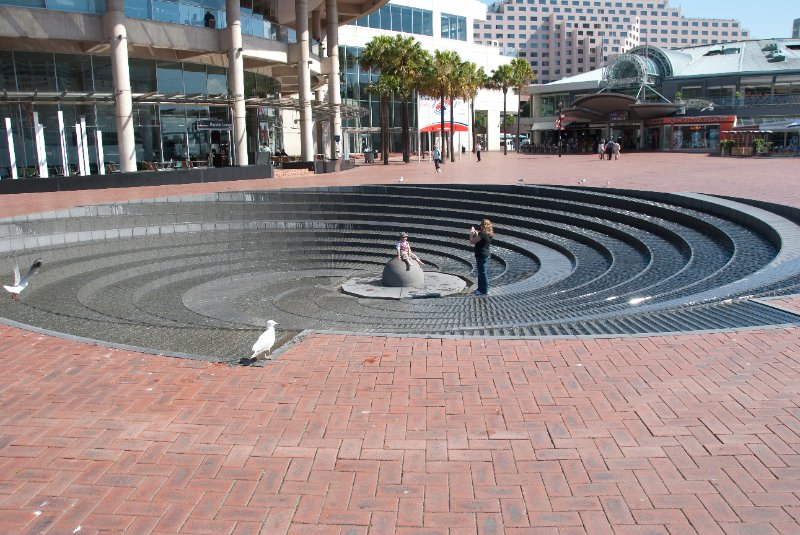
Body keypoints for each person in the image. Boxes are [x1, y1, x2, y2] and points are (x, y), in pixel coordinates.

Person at [469, 219, 493, 296]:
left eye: (481, 225)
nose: (480, 226)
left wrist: (471, 234)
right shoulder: (489, 234)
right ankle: (480, 289)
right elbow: (480, 239)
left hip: (481, 255)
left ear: (483, 226)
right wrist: (476, 233)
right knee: (480, 272)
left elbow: (472, 241)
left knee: (482, 273)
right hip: (486, 254)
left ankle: (485, 290)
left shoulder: (482, 234)